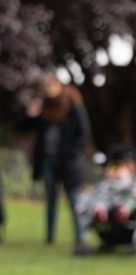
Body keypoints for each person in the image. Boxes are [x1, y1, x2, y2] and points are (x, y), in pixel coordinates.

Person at [19, 72, 93, 254]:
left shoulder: (73, 105)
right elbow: (22, 128)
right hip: (48, 161)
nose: (48, 89)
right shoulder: (43, 108)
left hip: (69, 163)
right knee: (50, 200)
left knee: (75, 201)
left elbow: (84, 133)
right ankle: (50, 236)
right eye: (45, 87)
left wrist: (72, 153)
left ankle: (80, 236)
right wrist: (30, 115)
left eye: (51, 85)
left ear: (59, 85)